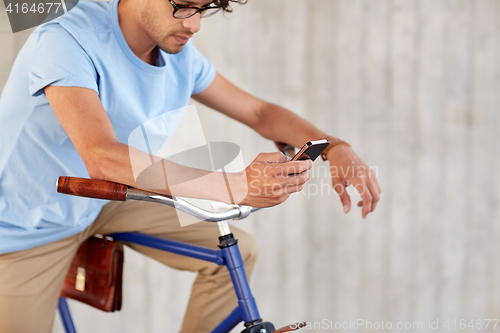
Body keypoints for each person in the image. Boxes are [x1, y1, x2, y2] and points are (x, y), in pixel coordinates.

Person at [0, 0, 381, 332]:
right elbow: (101, 155)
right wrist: (236, 185)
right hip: (24, 224)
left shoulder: (178, 55)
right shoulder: (65, 39)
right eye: (182, 5)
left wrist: (336, 147)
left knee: (237, 252)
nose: (194, 25)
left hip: (101, 201)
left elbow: (259, 112)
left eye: (204, 9)